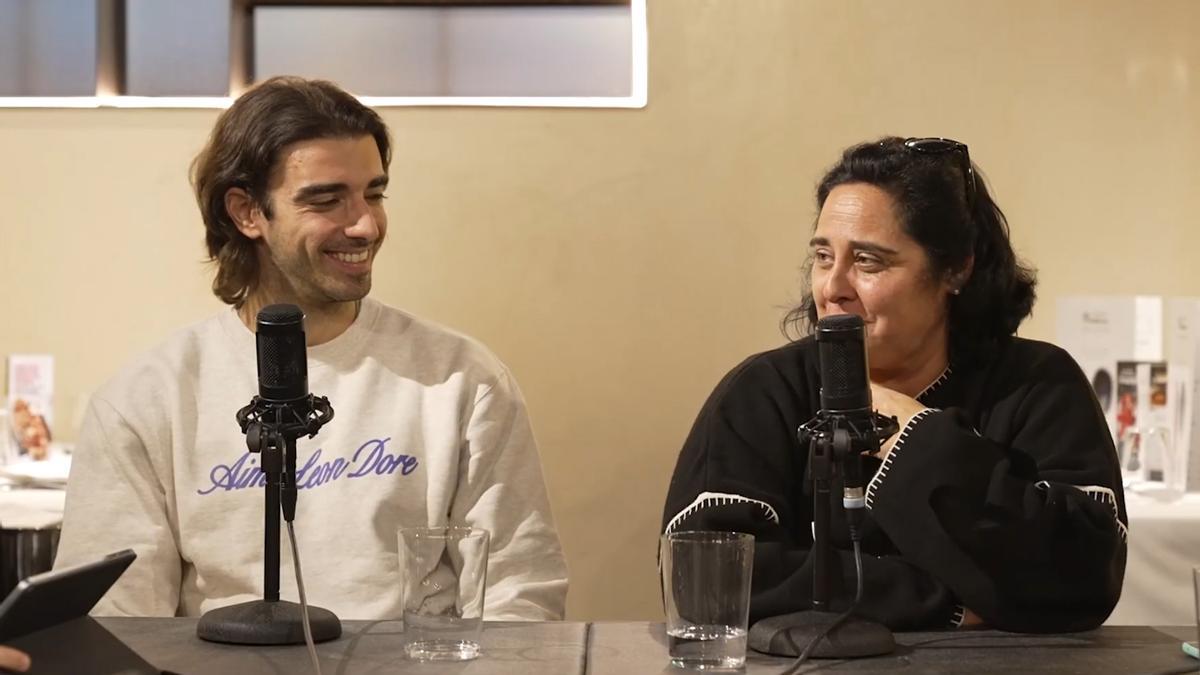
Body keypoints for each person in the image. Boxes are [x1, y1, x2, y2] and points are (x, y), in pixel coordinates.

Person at [54, 76, 568, 621]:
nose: (366, 225)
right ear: (247, 212)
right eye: (327, 200)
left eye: (374, 194)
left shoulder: (461, 380)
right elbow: (115, 620)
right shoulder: (147, 398)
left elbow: (520, 594)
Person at [661, 137, 1126, 632]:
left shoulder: (1037, 385)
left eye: (868, 261)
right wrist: (946, 601)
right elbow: (707, 581)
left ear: (956, 268)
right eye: (824, 256)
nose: (832, 287)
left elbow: (1084, 577)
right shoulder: (764, 392)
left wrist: (914, 435)